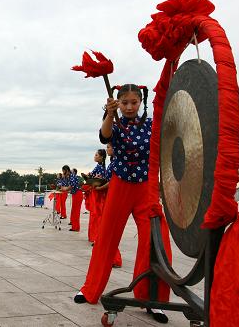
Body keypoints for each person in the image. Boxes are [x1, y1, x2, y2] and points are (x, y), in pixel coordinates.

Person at [74, 84, 172, 324]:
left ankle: (153, 300)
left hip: (146, 188)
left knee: (155, 243)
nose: (129, 107)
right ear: (118, 103)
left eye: (133, 102)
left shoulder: (150, 125)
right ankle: (91, 289)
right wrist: (109, 113)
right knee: (106, 238)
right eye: (124, 103)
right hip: (120, 185)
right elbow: (104, 136)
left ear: (140, 103)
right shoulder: (115, 123)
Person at [92, 142, 122, 267]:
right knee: (106, 227)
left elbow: (112, 182)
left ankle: (115, 259)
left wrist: (100, 187)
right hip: (108, 196)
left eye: (109, 147)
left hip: (112, 197)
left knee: (110, 229)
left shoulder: (117, 163)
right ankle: (110, 257)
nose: (107, 149)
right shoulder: (112, 163)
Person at [87, 149, 107, 243]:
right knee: (94, 215)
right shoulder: (98, 167)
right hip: (94, 192)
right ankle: (93, 236)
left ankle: (96, 237)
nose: (95, 156)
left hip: (98, 193)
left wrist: (93, 179)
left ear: (101, 157)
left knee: (97, 215)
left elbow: (102, 180)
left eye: (96, 155)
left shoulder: (101, 168)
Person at [60, 165, 83, 231]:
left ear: (66, 170)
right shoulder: (70, 176)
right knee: (74, 211)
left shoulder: (72, 176)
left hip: (77, 194)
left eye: (63, 171)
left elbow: (70, 186)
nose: (63, 173)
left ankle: (76, 228)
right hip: (75, 194)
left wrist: (65, 189)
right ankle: (74, 226)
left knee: (76, 211)